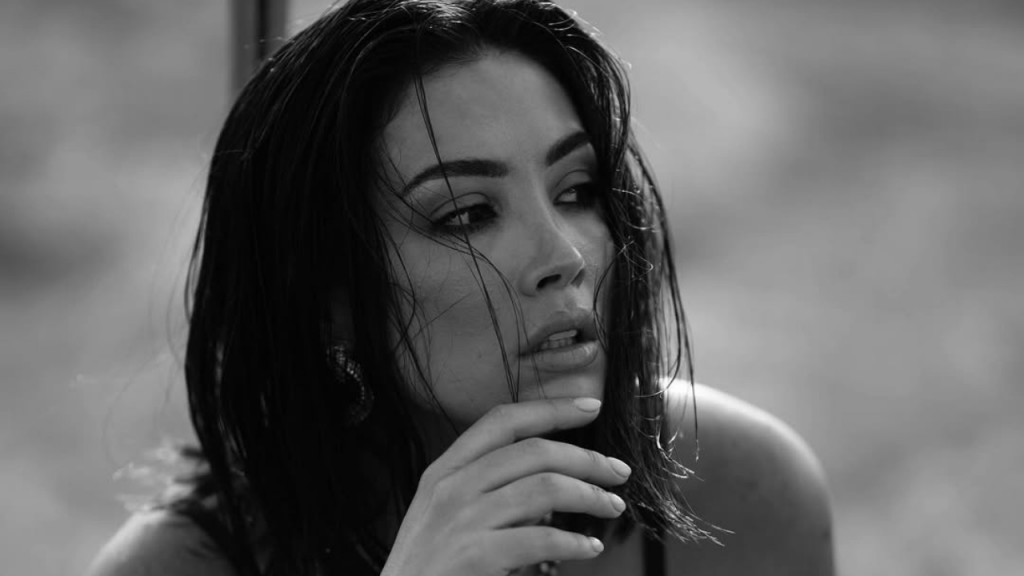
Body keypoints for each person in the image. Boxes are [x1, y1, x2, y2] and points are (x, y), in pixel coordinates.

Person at [86, 0, 835, 574]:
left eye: (576, 191)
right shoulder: (173, 567)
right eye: (469, 213)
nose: (565, 255)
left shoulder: (742, 490)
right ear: (328, 304)